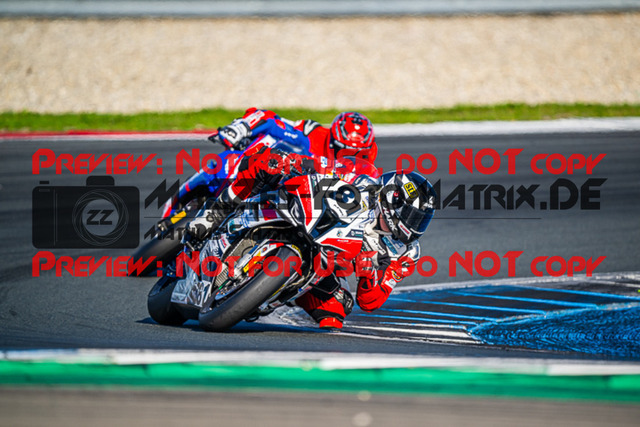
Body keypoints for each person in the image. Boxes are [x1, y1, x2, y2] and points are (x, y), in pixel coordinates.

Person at [187, 145, 437, 329]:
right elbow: (324, 165)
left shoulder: (403, 252)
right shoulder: (364, 180)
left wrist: (372, 273)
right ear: (394, 199)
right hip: (305, 211)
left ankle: (271, 296)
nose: (413, 226)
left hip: (325, 264)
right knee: (267, 162)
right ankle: (215, 213)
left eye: (420, 221)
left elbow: (370, 301)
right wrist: (294, 163)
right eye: (412, 217)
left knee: (338, 309)